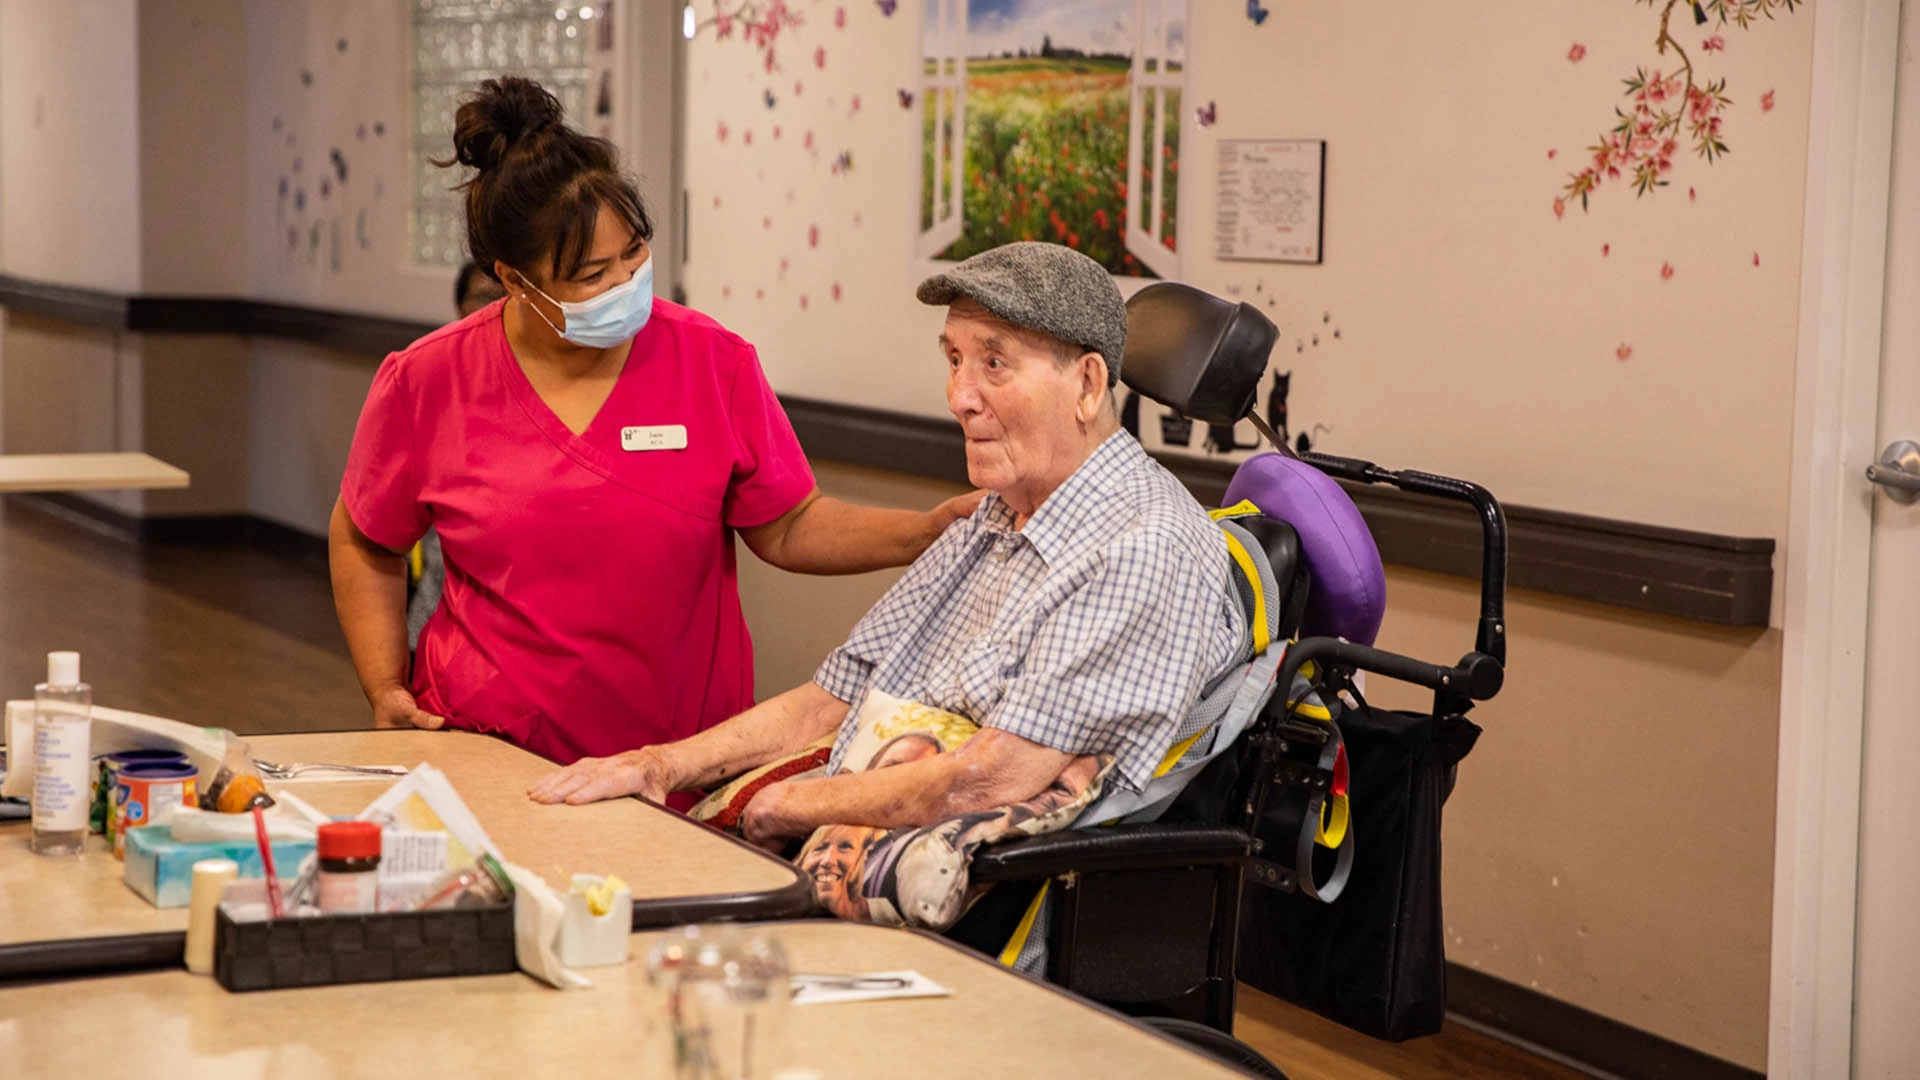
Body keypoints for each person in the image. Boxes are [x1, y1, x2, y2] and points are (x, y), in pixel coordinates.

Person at [331, 77, 979, 802]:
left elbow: (789, 523)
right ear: (513, 279)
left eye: (634, 256)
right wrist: (384, 683)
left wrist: (922, 533)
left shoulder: (712, 360)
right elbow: (366, 538)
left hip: (676, 762)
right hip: (491, 758)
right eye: (590, 275)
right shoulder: (428, 381)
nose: (626, 284)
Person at [528, 241, 1247, 841]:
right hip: (858, 839)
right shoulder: (994, 517)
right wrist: (660, 767)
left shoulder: (1142, 545)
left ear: (1088, 384)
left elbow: (990, 778)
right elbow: (829, 700)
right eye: (954, 359)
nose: (959, 395)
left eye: (993, 364)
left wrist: (778, 807)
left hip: (977, 915)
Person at [405, 262, 508, 652]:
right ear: (459, 306)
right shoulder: (432, 378)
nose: (494, 307)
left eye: (503, 297)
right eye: (483, 297)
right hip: (439, 613)